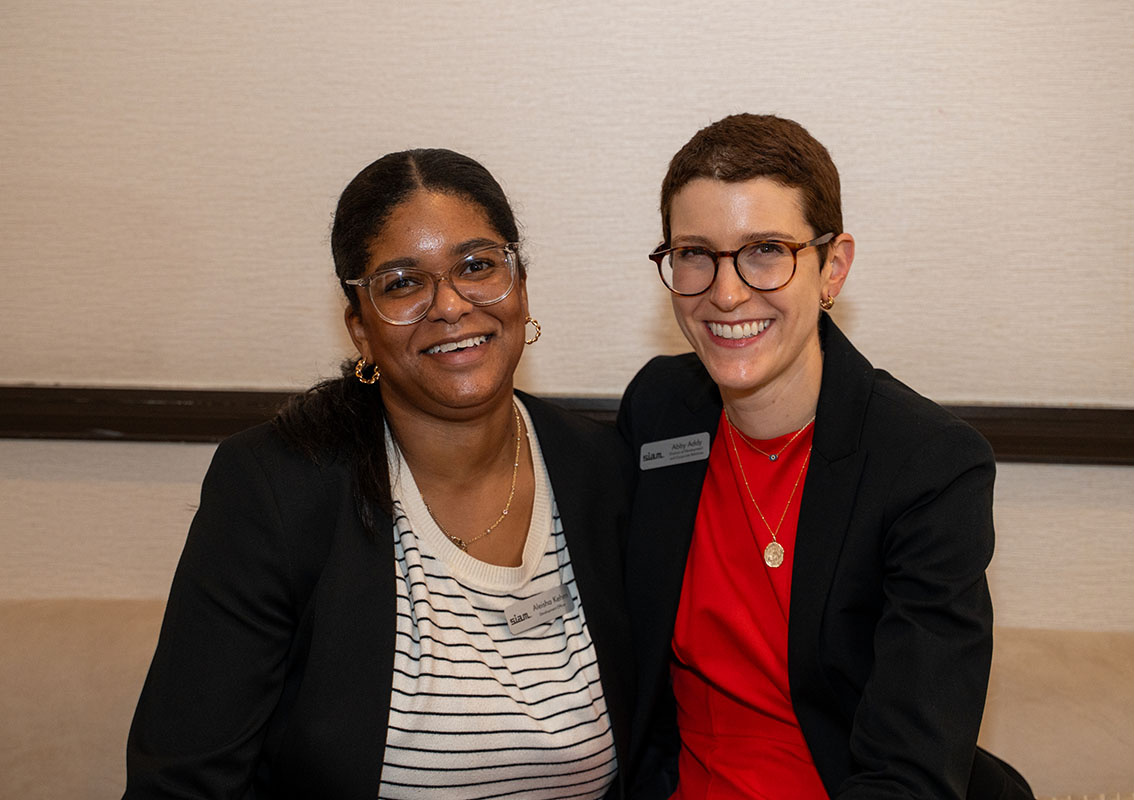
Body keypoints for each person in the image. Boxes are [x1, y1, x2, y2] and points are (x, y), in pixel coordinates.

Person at [125, 149, 635, 799]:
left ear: (521, 286)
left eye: (477, 266)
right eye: (402, 282)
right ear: (360, 330)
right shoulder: (277, 490)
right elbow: (182, 783)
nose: (449, 305)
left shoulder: (604, 471)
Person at [618, 114, 1033, 799]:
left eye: (764, 251)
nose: (725, 292)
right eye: (696, 253)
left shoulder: (926, 468)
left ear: (831, 267)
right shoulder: (659, 410)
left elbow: (909, 775)